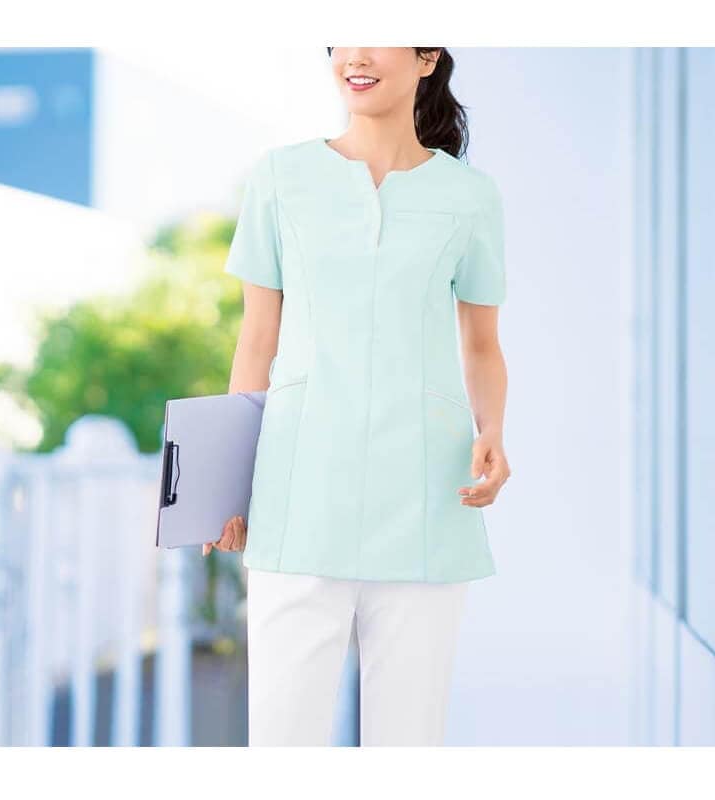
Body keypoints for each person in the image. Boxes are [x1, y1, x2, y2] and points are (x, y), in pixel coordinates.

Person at [205, 47, 511, 746]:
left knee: (408, 745)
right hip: (297, 497)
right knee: (282, 745)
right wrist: (226, 480)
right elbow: (257, 339)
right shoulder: (280, 177)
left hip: (426, 499)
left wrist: (492, 429)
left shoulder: (470, 196)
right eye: (343, 36)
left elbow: (482, 344)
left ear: (427, 57)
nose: (356, 56)